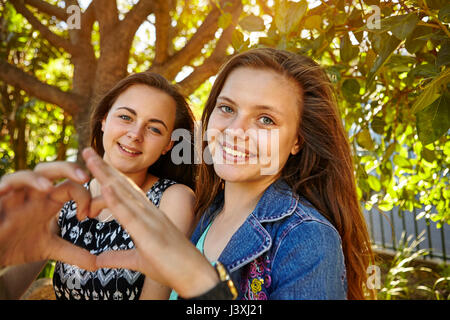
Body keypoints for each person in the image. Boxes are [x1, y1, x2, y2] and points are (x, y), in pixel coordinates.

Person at [0, 48, 375, 300]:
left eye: (265, 119)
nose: (235, 130)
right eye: (227, 109)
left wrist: (202, 285)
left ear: (297, 140)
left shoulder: (306, 236)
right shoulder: (207, 214)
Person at [0, 72, 197, 300]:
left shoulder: (173, 199)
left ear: (167, 145)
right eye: (125, 117)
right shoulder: (65, 198)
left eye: (154, 129)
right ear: (103, 120)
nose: (135, 134)